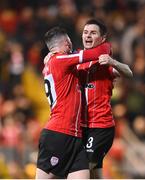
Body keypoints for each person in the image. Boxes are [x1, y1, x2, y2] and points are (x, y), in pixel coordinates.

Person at [35, 26, 112, 179]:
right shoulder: (59, 60)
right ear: (66, 44)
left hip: (76, 135)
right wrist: (106, 43)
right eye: (69, 43)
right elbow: (99, 52)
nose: (71, 47)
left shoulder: (55, 63)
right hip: (58, 133)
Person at [77, 19, 133, 178]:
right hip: (82, 127)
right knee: (95, 173)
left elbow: (129, 73)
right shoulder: (78, 61)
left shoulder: (105, 63)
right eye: (85, 32)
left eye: (93, 33)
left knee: (82, 168)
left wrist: (113, 62)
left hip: (101, 126)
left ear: (102, 39)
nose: (88, 36)